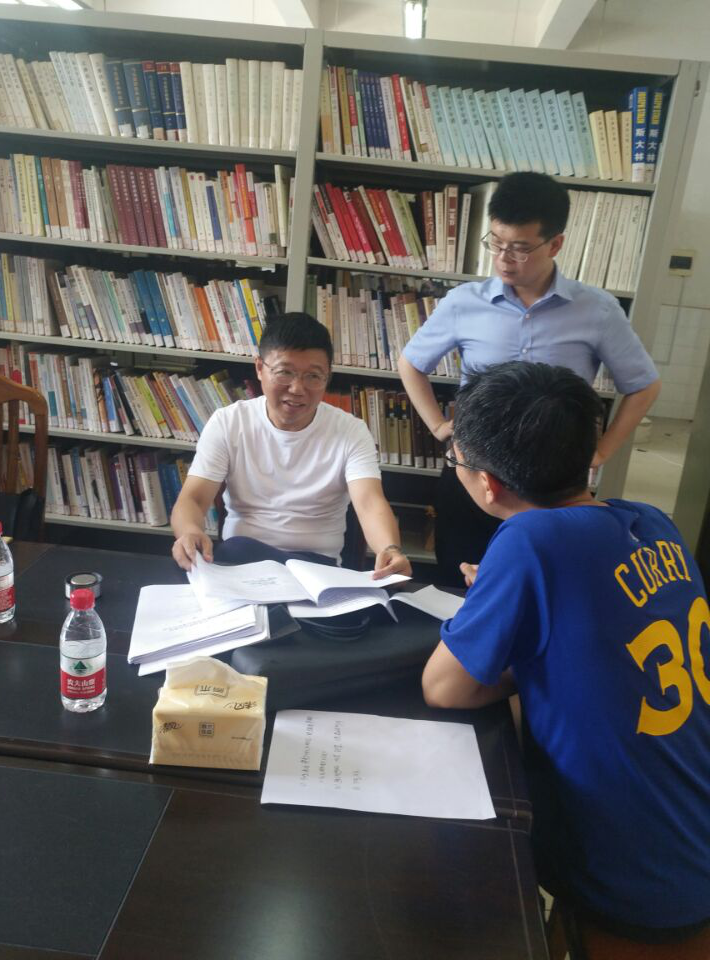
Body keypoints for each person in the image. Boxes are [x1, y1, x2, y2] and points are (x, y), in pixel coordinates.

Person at [422, 361, 710, 951]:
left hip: (632, 871)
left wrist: (504, 612)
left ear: (487, 483)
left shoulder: (531, 540)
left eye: (457, 460)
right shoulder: (654, 523)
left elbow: (445, 687)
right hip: (689, 826)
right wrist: (516, 606)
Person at [398, 171, 661, 584]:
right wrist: (437, 426)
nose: (504, 258)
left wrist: (600, 451)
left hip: (553, 483)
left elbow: (643, 384)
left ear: (554, 244)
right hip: (474, 471)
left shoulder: (596, 310)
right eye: (496, 243)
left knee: (545, 582)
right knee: (459, 575)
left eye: (520, 248)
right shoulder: (464, 303)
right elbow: (411, 363)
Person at [171, 312, 411, 579]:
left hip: (316, 567)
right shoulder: (229, 422)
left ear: (327, 377)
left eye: (313, 376)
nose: (297, 388)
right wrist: (189, 531)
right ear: (259, 368)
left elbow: (369, 503)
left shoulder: (351, 431)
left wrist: (390, 549)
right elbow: (193, 498)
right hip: (242, 560)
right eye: (285, 372)